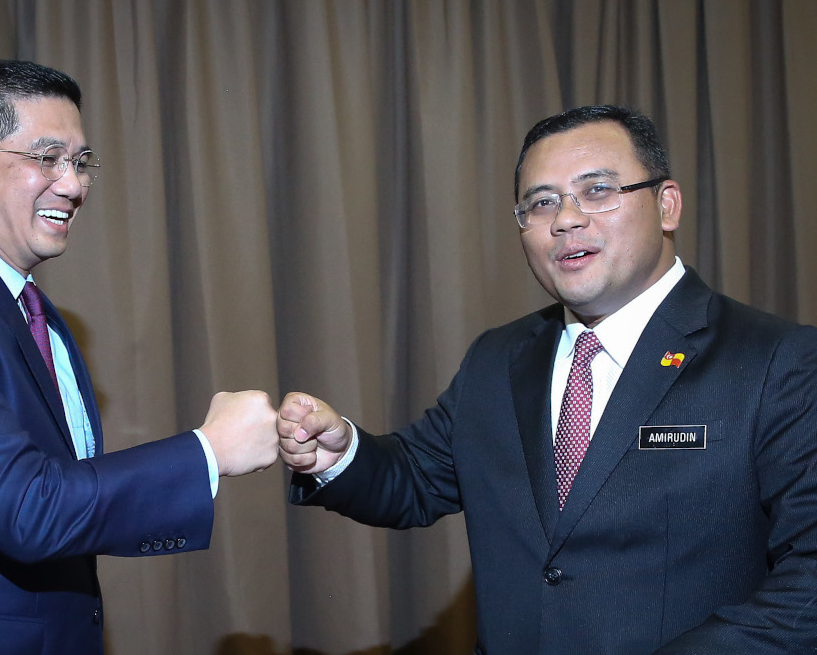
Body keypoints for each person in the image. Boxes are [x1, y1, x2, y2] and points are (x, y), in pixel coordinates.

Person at [278, 105, 817, 653]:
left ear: (667, 205)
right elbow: (415, 477)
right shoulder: (498, 358)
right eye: (541, 203)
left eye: (598, 190)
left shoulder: (777, 361)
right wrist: (336, 454)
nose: (567, 219)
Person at [0, 59, 278, 654]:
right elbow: (27, 510)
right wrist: (208, 452)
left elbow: (63, 497)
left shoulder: (28, 310)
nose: (73, 185)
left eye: (81, 162)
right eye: (46, 159)